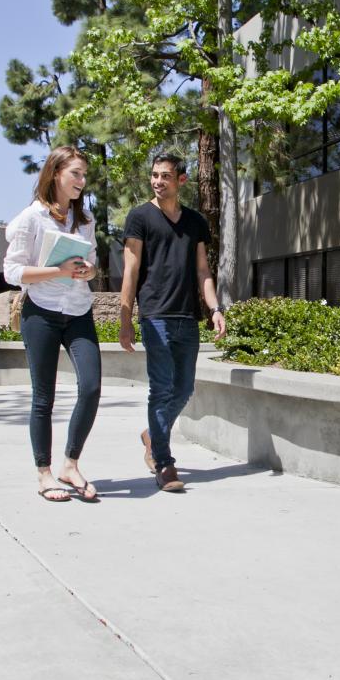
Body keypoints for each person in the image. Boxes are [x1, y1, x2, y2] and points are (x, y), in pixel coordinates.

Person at [119, 153, 226, 492]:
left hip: (187, 318)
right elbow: (131, 270)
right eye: (154, 175)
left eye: (165, 176)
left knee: (184, 389)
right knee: (161, 389)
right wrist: (126, 318)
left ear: (182, 180)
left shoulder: (195, 222)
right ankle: (164, 464)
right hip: (155, 316)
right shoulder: (139, 217)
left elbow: (203, 271)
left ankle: (152, 435)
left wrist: (215, 308)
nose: (157, 181)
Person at [3, 145, 102, 503]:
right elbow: (12, 271)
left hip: (78, 311)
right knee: (43, 398)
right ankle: (44, 474)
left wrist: (88, 270)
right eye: (76, 173)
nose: (82, 180)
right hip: (41, 313)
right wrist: (57, 271)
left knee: (90, 387)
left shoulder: (86, 220)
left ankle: (70, 465)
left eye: (84, 174)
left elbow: (90, 263)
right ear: (56, 173)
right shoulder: (31, 218)